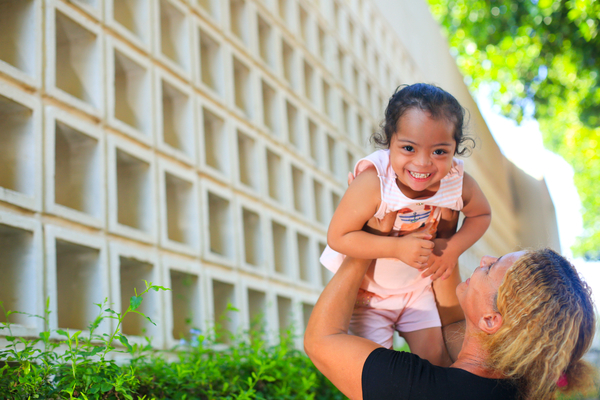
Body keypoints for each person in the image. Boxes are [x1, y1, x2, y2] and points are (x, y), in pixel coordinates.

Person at [321, 83, 491, 365]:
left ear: (455, 150)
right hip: (369, 296)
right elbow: (338, 236)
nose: (423, 163)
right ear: (390, 142)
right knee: (374, 369)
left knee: (437, 361)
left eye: (439, 152)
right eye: (409, 148)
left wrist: (451, 248)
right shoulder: (375, 182)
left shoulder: (455, 182)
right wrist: (396, 248)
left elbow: (481, 215)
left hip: (417, 290)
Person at [305, 241, 597, 399]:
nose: (484, 260)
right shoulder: (516, 387)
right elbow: (452, 322)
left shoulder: (422, 389)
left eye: (492, 267)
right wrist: (442, 228)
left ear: (491, 321)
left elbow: (323, 340)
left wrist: (366, 246)